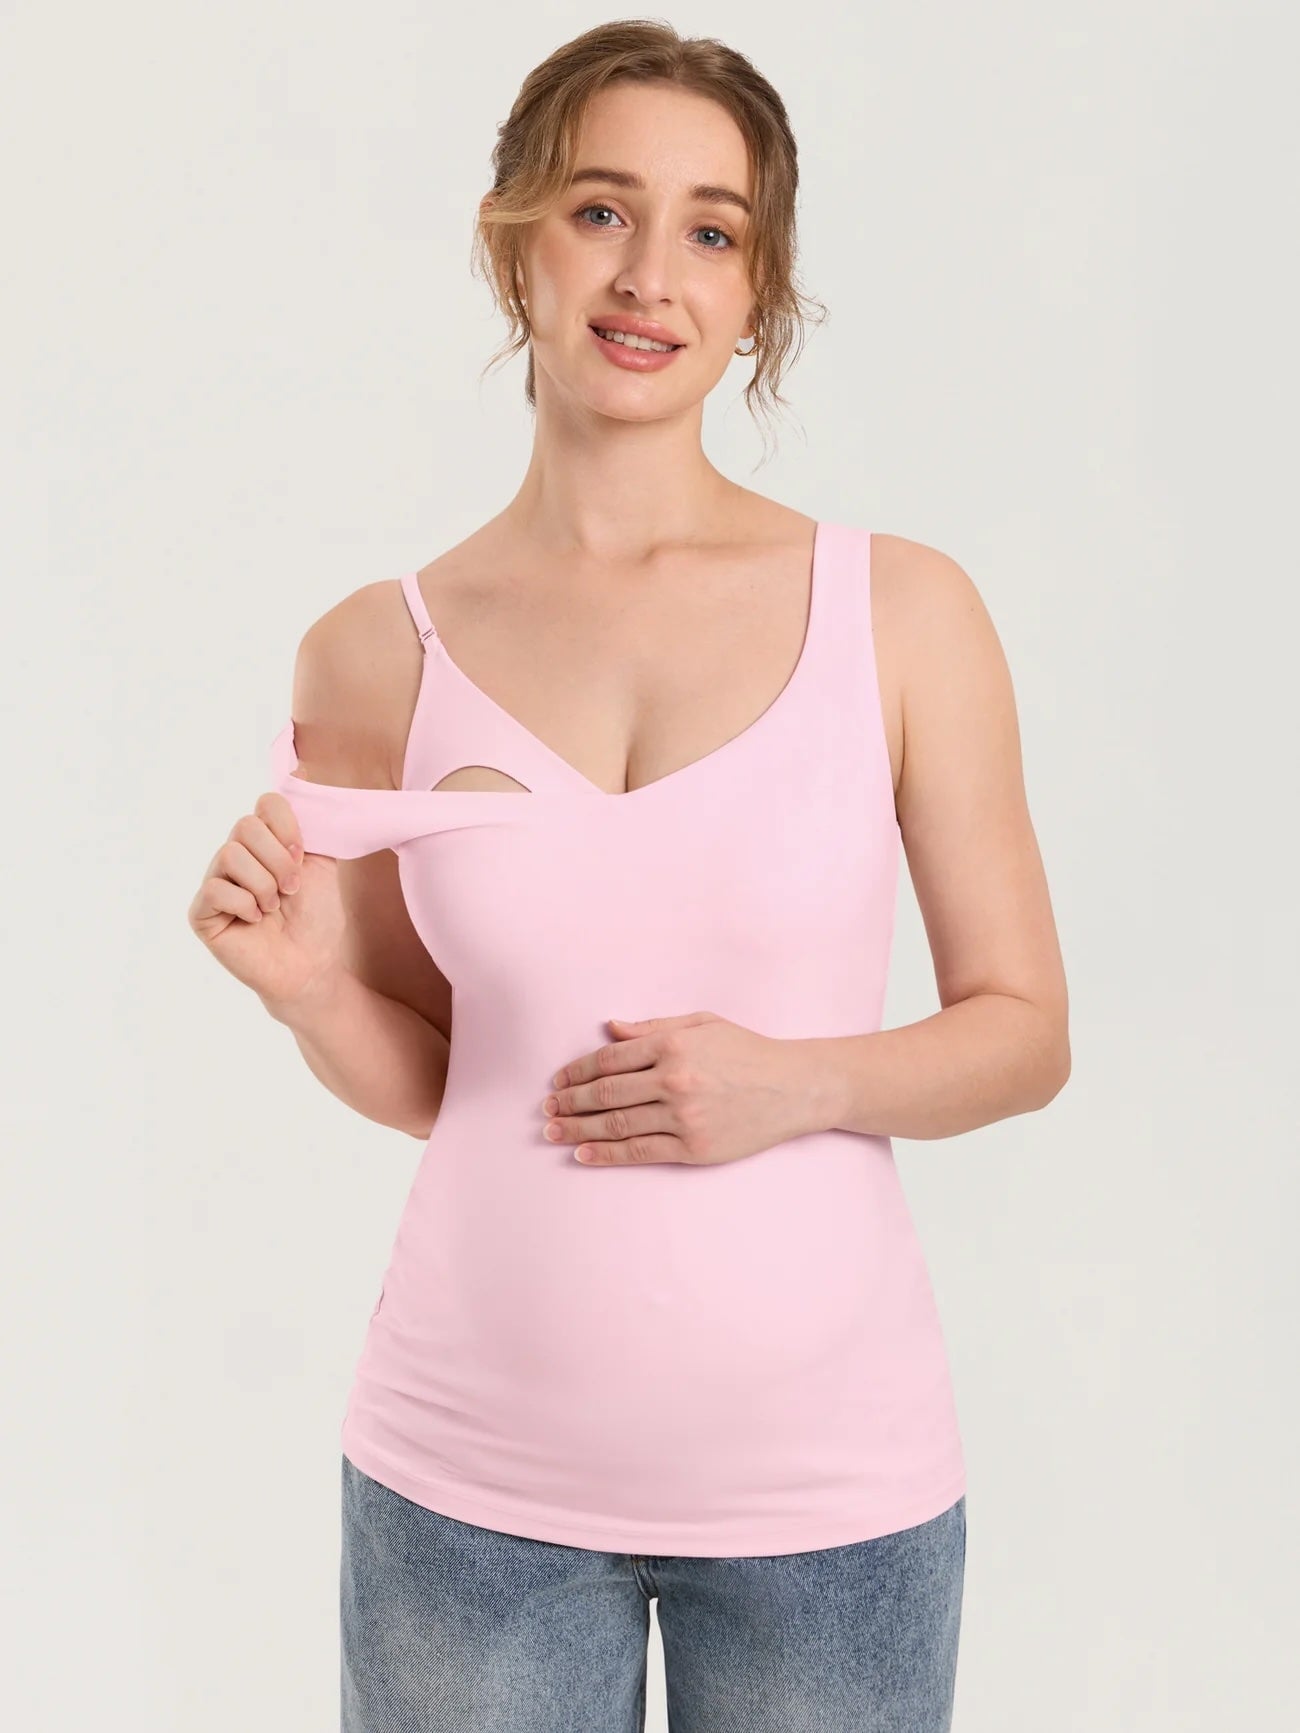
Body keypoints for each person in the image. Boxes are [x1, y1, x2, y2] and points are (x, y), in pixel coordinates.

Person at [188, 20, 1069, 1732]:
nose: (650, 273)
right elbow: (450, 1079)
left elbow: (1025, 1029)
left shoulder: (901, 614)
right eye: (601, 209)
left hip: (830, 1494)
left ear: (759, 292)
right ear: (514, 238)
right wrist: (306, 987)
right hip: (464, 1491)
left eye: (711, 231)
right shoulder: (373, 650)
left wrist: (795, 1082)